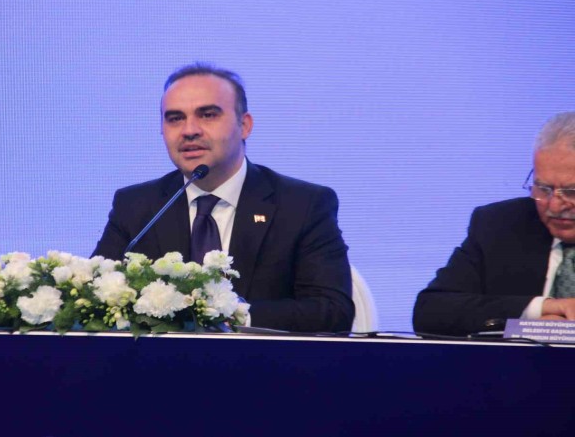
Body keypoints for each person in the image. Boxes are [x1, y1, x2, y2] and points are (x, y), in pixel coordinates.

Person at [93, 63, 353, 332]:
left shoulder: (302, 205)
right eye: (175, 118)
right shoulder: (136, 206)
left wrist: (230, 316)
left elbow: (333, 310)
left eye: (207, 115)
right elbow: (93, 298)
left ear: (245, 125)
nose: (189, 130)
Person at [413, 112, 575, 336]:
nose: (555, 206)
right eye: (543, 189)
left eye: (571, 192)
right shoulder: (500, 224)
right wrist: (539, 311)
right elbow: (431, 312)